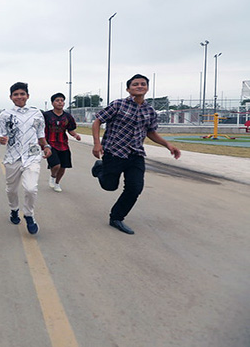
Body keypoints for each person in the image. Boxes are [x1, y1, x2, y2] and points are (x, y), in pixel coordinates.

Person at [91, 74, 181, 235]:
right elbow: (97, 120)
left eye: (143, 84)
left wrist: (168, 145)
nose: (139, 86)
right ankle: (100, 169)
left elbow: (150, 132)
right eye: (135, 84)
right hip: (114, 152)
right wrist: (97, 143)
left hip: (136, 154)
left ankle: (117, 217)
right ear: (128, 89)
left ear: (147, 87)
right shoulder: (118, 105)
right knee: (109, 186)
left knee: (135, 188)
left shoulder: (150, 111)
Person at [0, 82, 51, 234]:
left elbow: (41, 134)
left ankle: (29, 215)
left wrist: (46, 146)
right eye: (16, 94)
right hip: (13, 157)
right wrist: (1, 139)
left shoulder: (36, 113)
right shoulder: (5, 115)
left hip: (32, 156)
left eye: (22, 94)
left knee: (31, 188)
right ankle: (13, 209)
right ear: (11, 97)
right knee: (11, 189)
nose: (19, 97)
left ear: (27, 96)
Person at [43, 92, 81, 192]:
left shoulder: (68, 117)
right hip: (50, 144)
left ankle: (57, 183)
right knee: (56, 165)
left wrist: (76, 135)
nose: (60, 102)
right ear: (52, 103)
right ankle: (52, 176)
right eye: (57, 100)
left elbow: (70, 129)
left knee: (63, 166)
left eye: (62, 100)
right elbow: (39, 128)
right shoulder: (46, 115)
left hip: (63, 144)